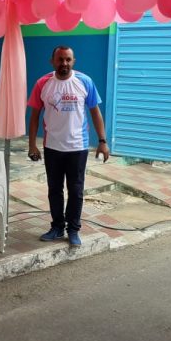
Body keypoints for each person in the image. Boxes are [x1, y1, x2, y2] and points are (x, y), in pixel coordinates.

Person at [27, 46, 110, 247]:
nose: (64, 63)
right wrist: (32, 145)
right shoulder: (43, 83)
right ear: (52, 61)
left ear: (73, 61)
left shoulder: (84, 81)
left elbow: (95, 112)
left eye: (68, 59)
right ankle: (57, 227)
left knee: (76, 191)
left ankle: (73, 229)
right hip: (52, 147)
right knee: (54, 190)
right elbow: (34, 117)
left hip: (77, 147)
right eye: (60, 59)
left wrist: (102, 141)